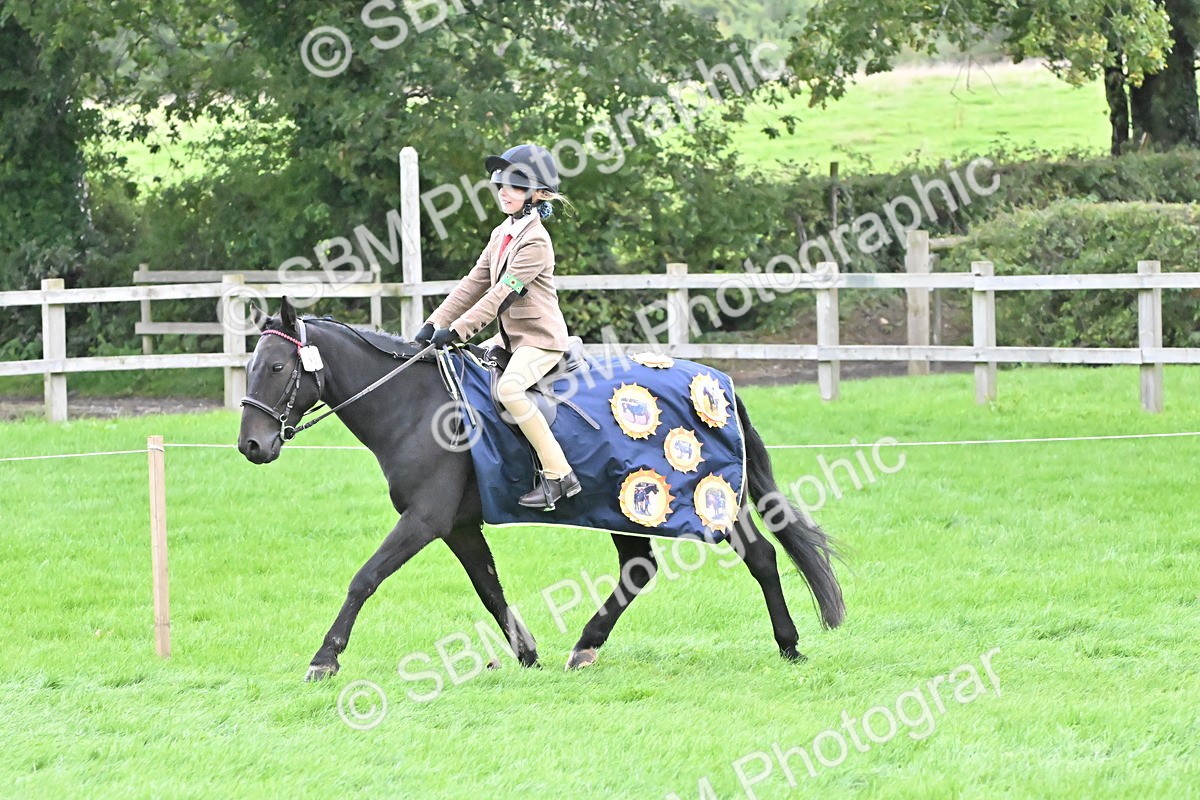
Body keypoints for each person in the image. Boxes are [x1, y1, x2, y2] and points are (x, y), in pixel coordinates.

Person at [414, 144, 581, 509]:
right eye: (500, 185)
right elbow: (473, 283)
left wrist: (458, 331)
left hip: (539, 341)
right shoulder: (501, 233)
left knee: (510, 391)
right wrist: (433, 323)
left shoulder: (536, 241)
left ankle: (559, 474)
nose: (504, 192)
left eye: (515, 186)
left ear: (536, 195)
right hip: (509, 340)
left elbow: (502, 295)